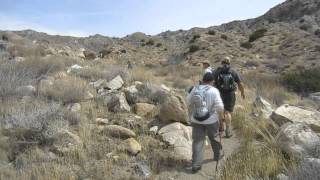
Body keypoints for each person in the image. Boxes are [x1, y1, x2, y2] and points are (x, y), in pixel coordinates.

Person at [187, 72, 225, 173]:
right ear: (212, 81)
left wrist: (192, 114)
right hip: (211, 120)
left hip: (196, 119)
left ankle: (196, 164)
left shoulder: (195, 88)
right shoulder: (214, 90)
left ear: (203, 80)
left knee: (197, 141)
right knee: (214, 138)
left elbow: (188, 101)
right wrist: (221, 120)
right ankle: (217, 155)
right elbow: (220, 107)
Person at [213, 57, 245, 138]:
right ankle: (228, 131)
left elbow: (210, 81)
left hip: (219, 93)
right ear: (229, 63)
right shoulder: (233, 71)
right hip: (230, 94)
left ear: (221, 62)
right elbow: (240, 83)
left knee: (220, 111)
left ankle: (221, 128)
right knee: (227, 112)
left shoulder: (217, 71)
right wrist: (242, 92)